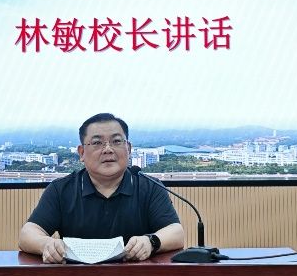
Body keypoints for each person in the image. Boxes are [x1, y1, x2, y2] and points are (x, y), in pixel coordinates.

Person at [18, 113, 185, 264]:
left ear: (129, 148)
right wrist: (47, 244)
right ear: (82, 153)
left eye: (116, 141)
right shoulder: (61, 190)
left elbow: (176, 232)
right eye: (97, 143)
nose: (108, 149)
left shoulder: (150, 187)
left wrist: (151, 241)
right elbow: (27, 234)